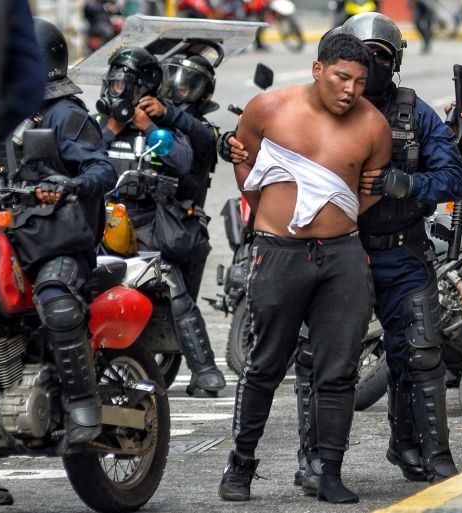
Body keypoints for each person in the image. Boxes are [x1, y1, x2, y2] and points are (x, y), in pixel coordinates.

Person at [220, 12, 462, 489]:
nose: (363, 75)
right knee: (308, 360)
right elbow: (252, 164)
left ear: (393, 64)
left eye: (377, 60)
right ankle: (305, 462)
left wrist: (406, 183)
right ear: (326, 63)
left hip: (396, 251)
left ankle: (424, 450)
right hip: (328, 251)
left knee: (419, 353)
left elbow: (453, 177)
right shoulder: (286, 108)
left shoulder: (405, 115)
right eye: (354, 62)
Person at [217, 33, 391, 505]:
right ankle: (241, 465)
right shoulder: (268, 109)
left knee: (338, 370)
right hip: (279, 253)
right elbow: (245, 164)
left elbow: (368, 192)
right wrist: (275, 220)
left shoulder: (374, 126)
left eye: (359, 81)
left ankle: (328, 470)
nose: (350, 90)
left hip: (342, 256)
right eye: (341, 77)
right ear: (318, 70)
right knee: (264, 364)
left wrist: (332, 220)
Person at [0, 17, 118, 506]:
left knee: (57, 303)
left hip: (51, 241)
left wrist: (70, 185)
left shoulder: (64, 113)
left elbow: (102, 168)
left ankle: (82, 406)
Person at [97, 46, 227, 397]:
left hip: (147, 227)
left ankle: (205, 370)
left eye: (128, 86)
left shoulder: (169, 126)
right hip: (99, 225)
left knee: (171, 283)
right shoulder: (101, 126)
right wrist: (112, 125)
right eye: (115, 85)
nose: (120, 93)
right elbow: (81, 155)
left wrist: (153, 125)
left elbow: (185, 159)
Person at [139, 49, 220, 302]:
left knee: (179, 309)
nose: (175, 93)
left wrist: (168, 114)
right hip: (141, 219)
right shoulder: (145, 119)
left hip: (179, 228)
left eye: (185, 88)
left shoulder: (202, 130)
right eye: (171, 83)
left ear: (203, 94)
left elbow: (205, 140)